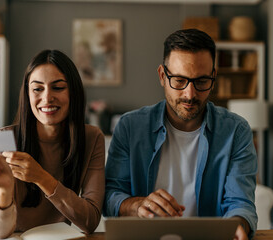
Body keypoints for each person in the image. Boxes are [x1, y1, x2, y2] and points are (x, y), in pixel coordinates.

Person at [104, 29, 257, 240]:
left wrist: (238, 225)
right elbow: (111, 196)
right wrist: (137, 205)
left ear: (213, 76)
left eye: (202, 81)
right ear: (162, 76)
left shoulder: (236, 131)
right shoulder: (130, 127)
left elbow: (240, 203)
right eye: (179, 80)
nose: (190, 94)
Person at [0, 49, 105, 238]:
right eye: (37, 88)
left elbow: (90, 221)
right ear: (27, 94)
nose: (47, 97)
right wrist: (5, 190)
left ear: (73, 91)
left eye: (58, 87)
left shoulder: (93, 137)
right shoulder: (1, 137)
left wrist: (41, 177)